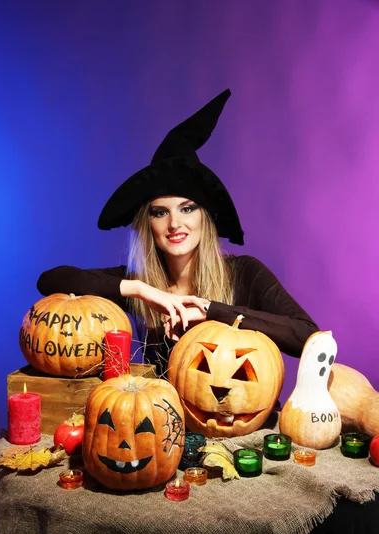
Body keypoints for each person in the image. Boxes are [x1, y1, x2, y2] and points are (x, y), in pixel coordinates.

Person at [37, 89, 319, 376]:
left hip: (244, 417)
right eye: (160, 212)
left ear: (204, 218)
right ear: (148, 224)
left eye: (187, 209)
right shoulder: (139, 284)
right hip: (160, 417)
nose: (174, 224)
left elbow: (307, 336)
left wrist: (211, 311)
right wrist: (142, 291)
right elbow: (50, 280)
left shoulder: (245, 273)